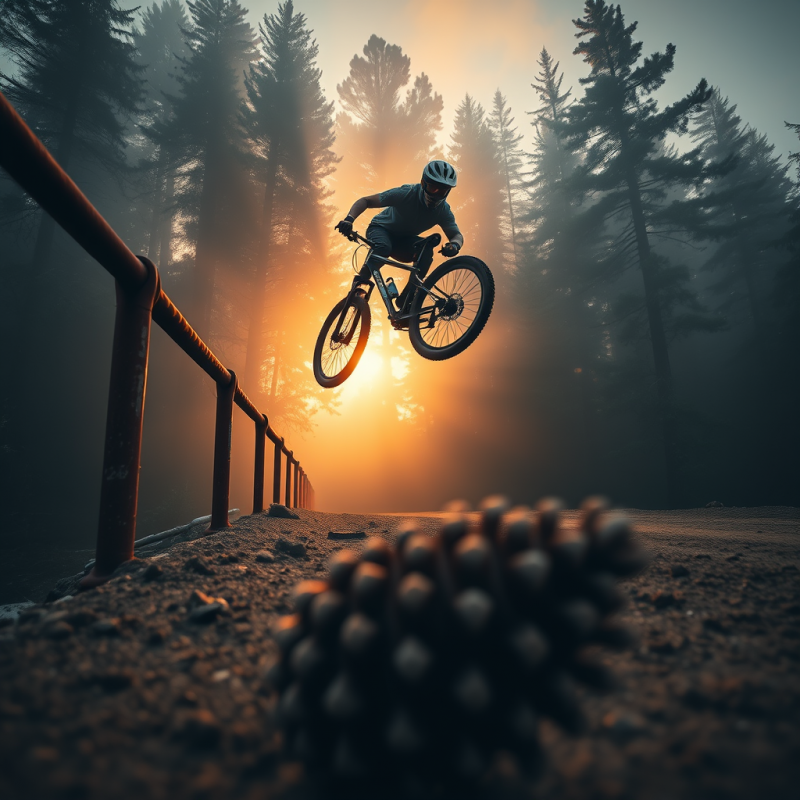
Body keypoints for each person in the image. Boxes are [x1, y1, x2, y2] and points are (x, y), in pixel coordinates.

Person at [335, 160, 464, 307]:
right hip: (380, 229)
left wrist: (455, 245)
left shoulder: (443, 211)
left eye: (442, 190)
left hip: (404, 241)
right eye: (433, 187)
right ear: (423, 183)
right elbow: (366, 201)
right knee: (383, 247)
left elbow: (456, 235)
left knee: (426, 250)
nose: (436, 194)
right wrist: (349, 219)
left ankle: (407, 299)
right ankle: (361, 283)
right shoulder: (406, 193)